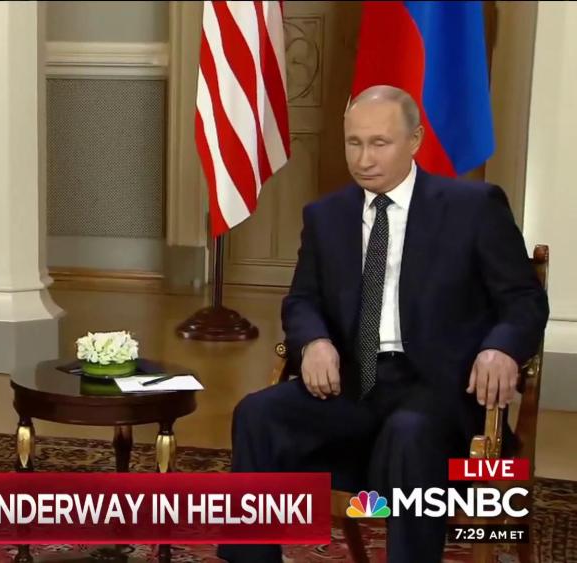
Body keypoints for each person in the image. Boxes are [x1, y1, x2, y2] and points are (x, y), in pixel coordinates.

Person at [218, 85, 549, 563]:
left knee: (409, 433)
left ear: (414, 140)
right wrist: (313, 342)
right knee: (257, 414)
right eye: (354, 143)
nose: (364, 159)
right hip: (354, 384)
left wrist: (501, 348)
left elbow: (523, 299)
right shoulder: (326, 216)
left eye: (379, 143)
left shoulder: (473, 207)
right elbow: (303, 300)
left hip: (441, 391)